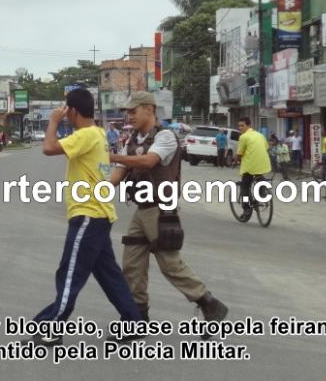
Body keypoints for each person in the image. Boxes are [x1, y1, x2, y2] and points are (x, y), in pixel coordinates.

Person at [24, 89, 144, 347]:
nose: (65, 116)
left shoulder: (86, 134)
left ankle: (51, 327)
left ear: (74, 112)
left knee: (69, 274)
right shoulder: (99, 134)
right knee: (109, 275)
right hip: (100, 214)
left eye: (67, 112)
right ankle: (134, 322)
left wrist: (53, 121)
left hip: (88, 215)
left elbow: (48, 147)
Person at [109, 91, 227, 332]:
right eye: (127, 112)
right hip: (142, 210)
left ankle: (208, 302)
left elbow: (147, 162)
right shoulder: (131, 140)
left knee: (169, 264)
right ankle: (137, 318)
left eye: (134, 110)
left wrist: (109, 155)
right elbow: (118, 174)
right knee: (132, 263)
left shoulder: (165, 137)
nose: (129, 116)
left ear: (149, 110)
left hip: (160, 210)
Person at [235, 117, 272, 221]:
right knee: (259, 177)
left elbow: (239, 154)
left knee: (245, 188)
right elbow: (265, 147)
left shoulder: (243, 137)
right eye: (239, 126)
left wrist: (235, 162)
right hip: (264, 164)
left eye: (242, 125)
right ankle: (262, 193)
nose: (240, 128)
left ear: (248, 125)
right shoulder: (260, 135)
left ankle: (246, 209)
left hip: (250, 166)